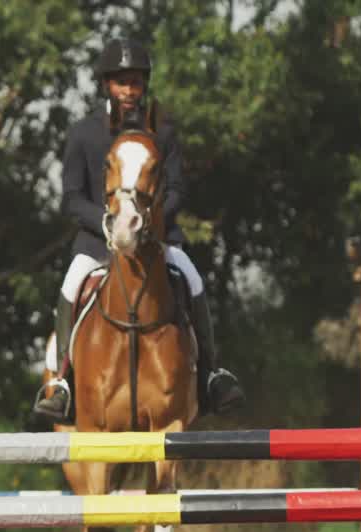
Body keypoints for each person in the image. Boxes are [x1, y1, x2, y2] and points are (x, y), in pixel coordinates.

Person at [33, 38, 245, 423]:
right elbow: (70, 197)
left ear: (144, 86)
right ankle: (62, 382)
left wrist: (152, 221)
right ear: (106, 86)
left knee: (192, 279)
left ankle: (212, 373)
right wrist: (107, 221)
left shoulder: (163, 132)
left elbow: (178, 188)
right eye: (121, 83)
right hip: (99, 241)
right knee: (71, 284)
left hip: (155, 238)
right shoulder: (84, 133)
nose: (129, 91)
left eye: (135, 82)